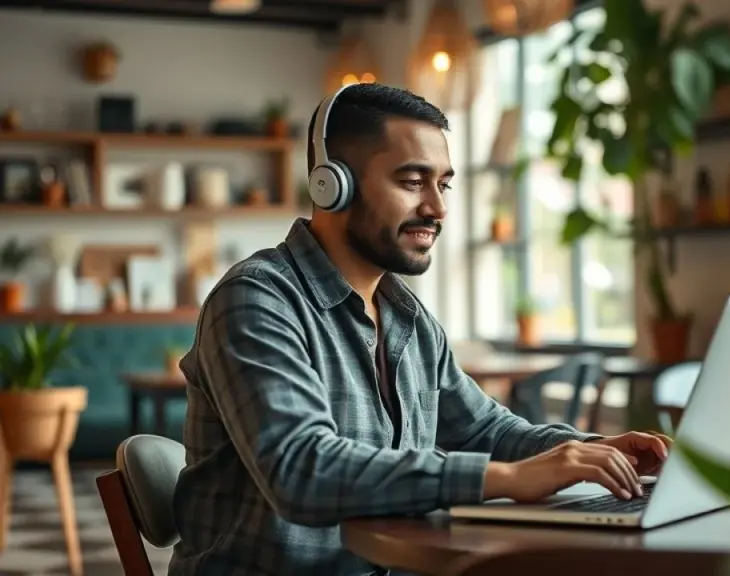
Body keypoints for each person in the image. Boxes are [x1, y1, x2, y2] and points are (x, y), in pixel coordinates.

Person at [168, 83, 672, 576]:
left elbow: (483, 430)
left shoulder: (408, 318)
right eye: (413, 181)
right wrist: (509, 479)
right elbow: (303, 469)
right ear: (332, 184)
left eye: (444, 183)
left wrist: (593, 450)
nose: (438, 207)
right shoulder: (257, 299)